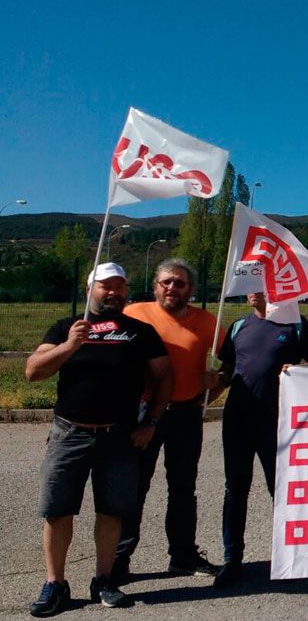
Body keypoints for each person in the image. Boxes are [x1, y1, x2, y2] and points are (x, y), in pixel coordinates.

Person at [25, 263, 172, 614]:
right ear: (89, 289)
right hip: (69, 434)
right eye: (106, 286)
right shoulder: (67, 328)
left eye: (120, 286)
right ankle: (55, 584)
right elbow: (33, 371)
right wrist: (70, 345)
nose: (114, 292)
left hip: (119, 437)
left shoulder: (140, 331)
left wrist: (151, 420)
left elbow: (165, 378)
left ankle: (104, 580)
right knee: (57, 511)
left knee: (112, 511)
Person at [115, 259, 222, 583]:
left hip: (187, 414)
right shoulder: (134, 314)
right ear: (155, 285)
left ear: (191, 289)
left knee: (183, 488)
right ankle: (118, 560)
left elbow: (229, 364)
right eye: (166, 282)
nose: (172, 288)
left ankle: (183, 555)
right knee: (134, 487)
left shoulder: (207, 322)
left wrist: (213, 384)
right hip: (143, 414)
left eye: (179, 283)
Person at [212, 293, 308, 588]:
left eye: (260, 284)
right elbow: (225, 373)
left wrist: (299, 371)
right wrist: (210, 384)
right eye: (249, 284)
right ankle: (232, 558)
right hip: (237, 422)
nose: (253, 291)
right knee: (235, 489)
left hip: (279, 423)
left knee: (283, 492)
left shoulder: (296, 326)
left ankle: (293, 558)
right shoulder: (238, 326)